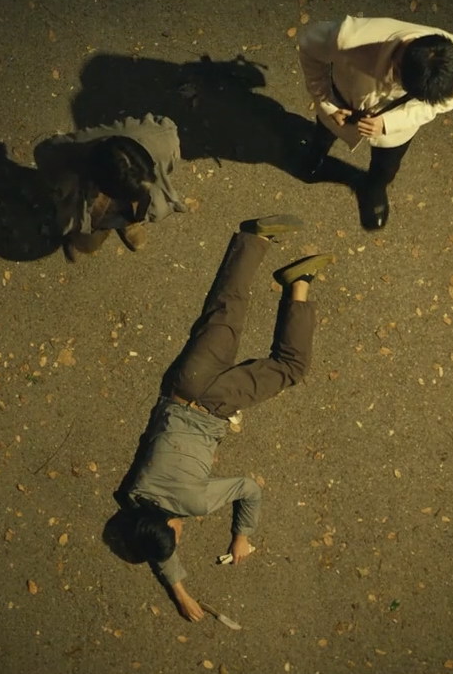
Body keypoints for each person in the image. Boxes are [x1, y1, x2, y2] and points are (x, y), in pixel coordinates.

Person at [116, 215, 333, 621]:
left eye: (176, 537)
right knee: (224, 310)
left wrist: (242, 536)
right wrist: (181, 594)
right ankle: (254, 237)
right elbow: (153, 542)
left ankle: (299, 283)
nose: (179, 539)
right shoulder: (133, 495)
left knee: (290, 367)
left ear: (173, 527)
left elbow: (249, 489)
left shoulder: (194, 503)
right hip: (184, 382)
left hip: (216, 403)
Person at [297, 15, 453, 230]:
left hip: (398, 126)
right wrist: (327, 103)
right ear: (401, 57)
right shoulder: (349, 39)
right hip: (341, 105)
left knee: (386, 167)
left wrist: (389, 123)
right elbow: (308, 47)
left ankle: (373, 189)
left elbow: (446, 102)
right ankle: (315, 156)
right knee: (323, 134)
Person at [33, 114, 189, 261]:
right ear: (105, 191)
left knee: (148, 208)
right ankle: (99, 227)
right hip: (88, 190)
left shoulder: (162, 138)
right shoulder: (62, 159)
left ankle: (128, 222)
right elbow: (44, 153)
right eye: (133, 198)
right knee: (88, 244)